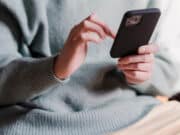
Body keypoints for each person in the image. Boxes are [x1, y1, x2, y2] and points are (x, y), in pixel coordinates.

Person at [0, 0, 178, 135]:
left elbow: (170, 75)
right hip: (48, 123)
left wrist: (145, 73)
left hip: (141, 115)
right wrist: (57, 67)